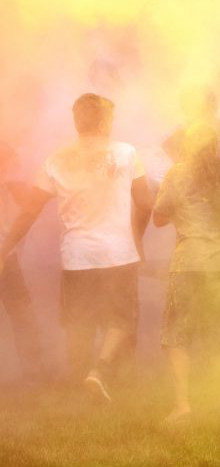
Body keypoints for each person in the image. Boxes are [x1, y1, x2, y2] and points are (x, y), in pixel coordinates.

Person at [0, 94, 154, 400]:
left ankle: (79, 382)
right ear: (104, 121)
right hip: (118, 252)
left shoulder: (55, 160)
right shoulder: (126, 153)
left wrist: (5, 247)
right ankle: (99, 371)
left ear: (76, 121)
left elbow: (30, 210)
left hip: (76, 256)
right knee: (121, 319)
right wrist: (137, 234)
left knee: (78, 321)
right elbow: (145, 202)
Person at [152, 124, 220, 424]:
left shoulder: (178, 173)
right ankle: (218, 402)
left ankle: (183, 406)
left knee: (177, 335)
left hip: (190, 262)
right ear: (216, 146)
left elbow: (158, 217)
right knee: (218, 334)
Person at [0, 142, 47, 384]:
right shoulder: (9, 170)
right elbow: (30, 203)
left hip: (5, 253)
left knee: (22, 314)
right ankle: (34, 375)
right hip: (3, 256)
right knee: (22, 313)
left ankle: (34, 374)